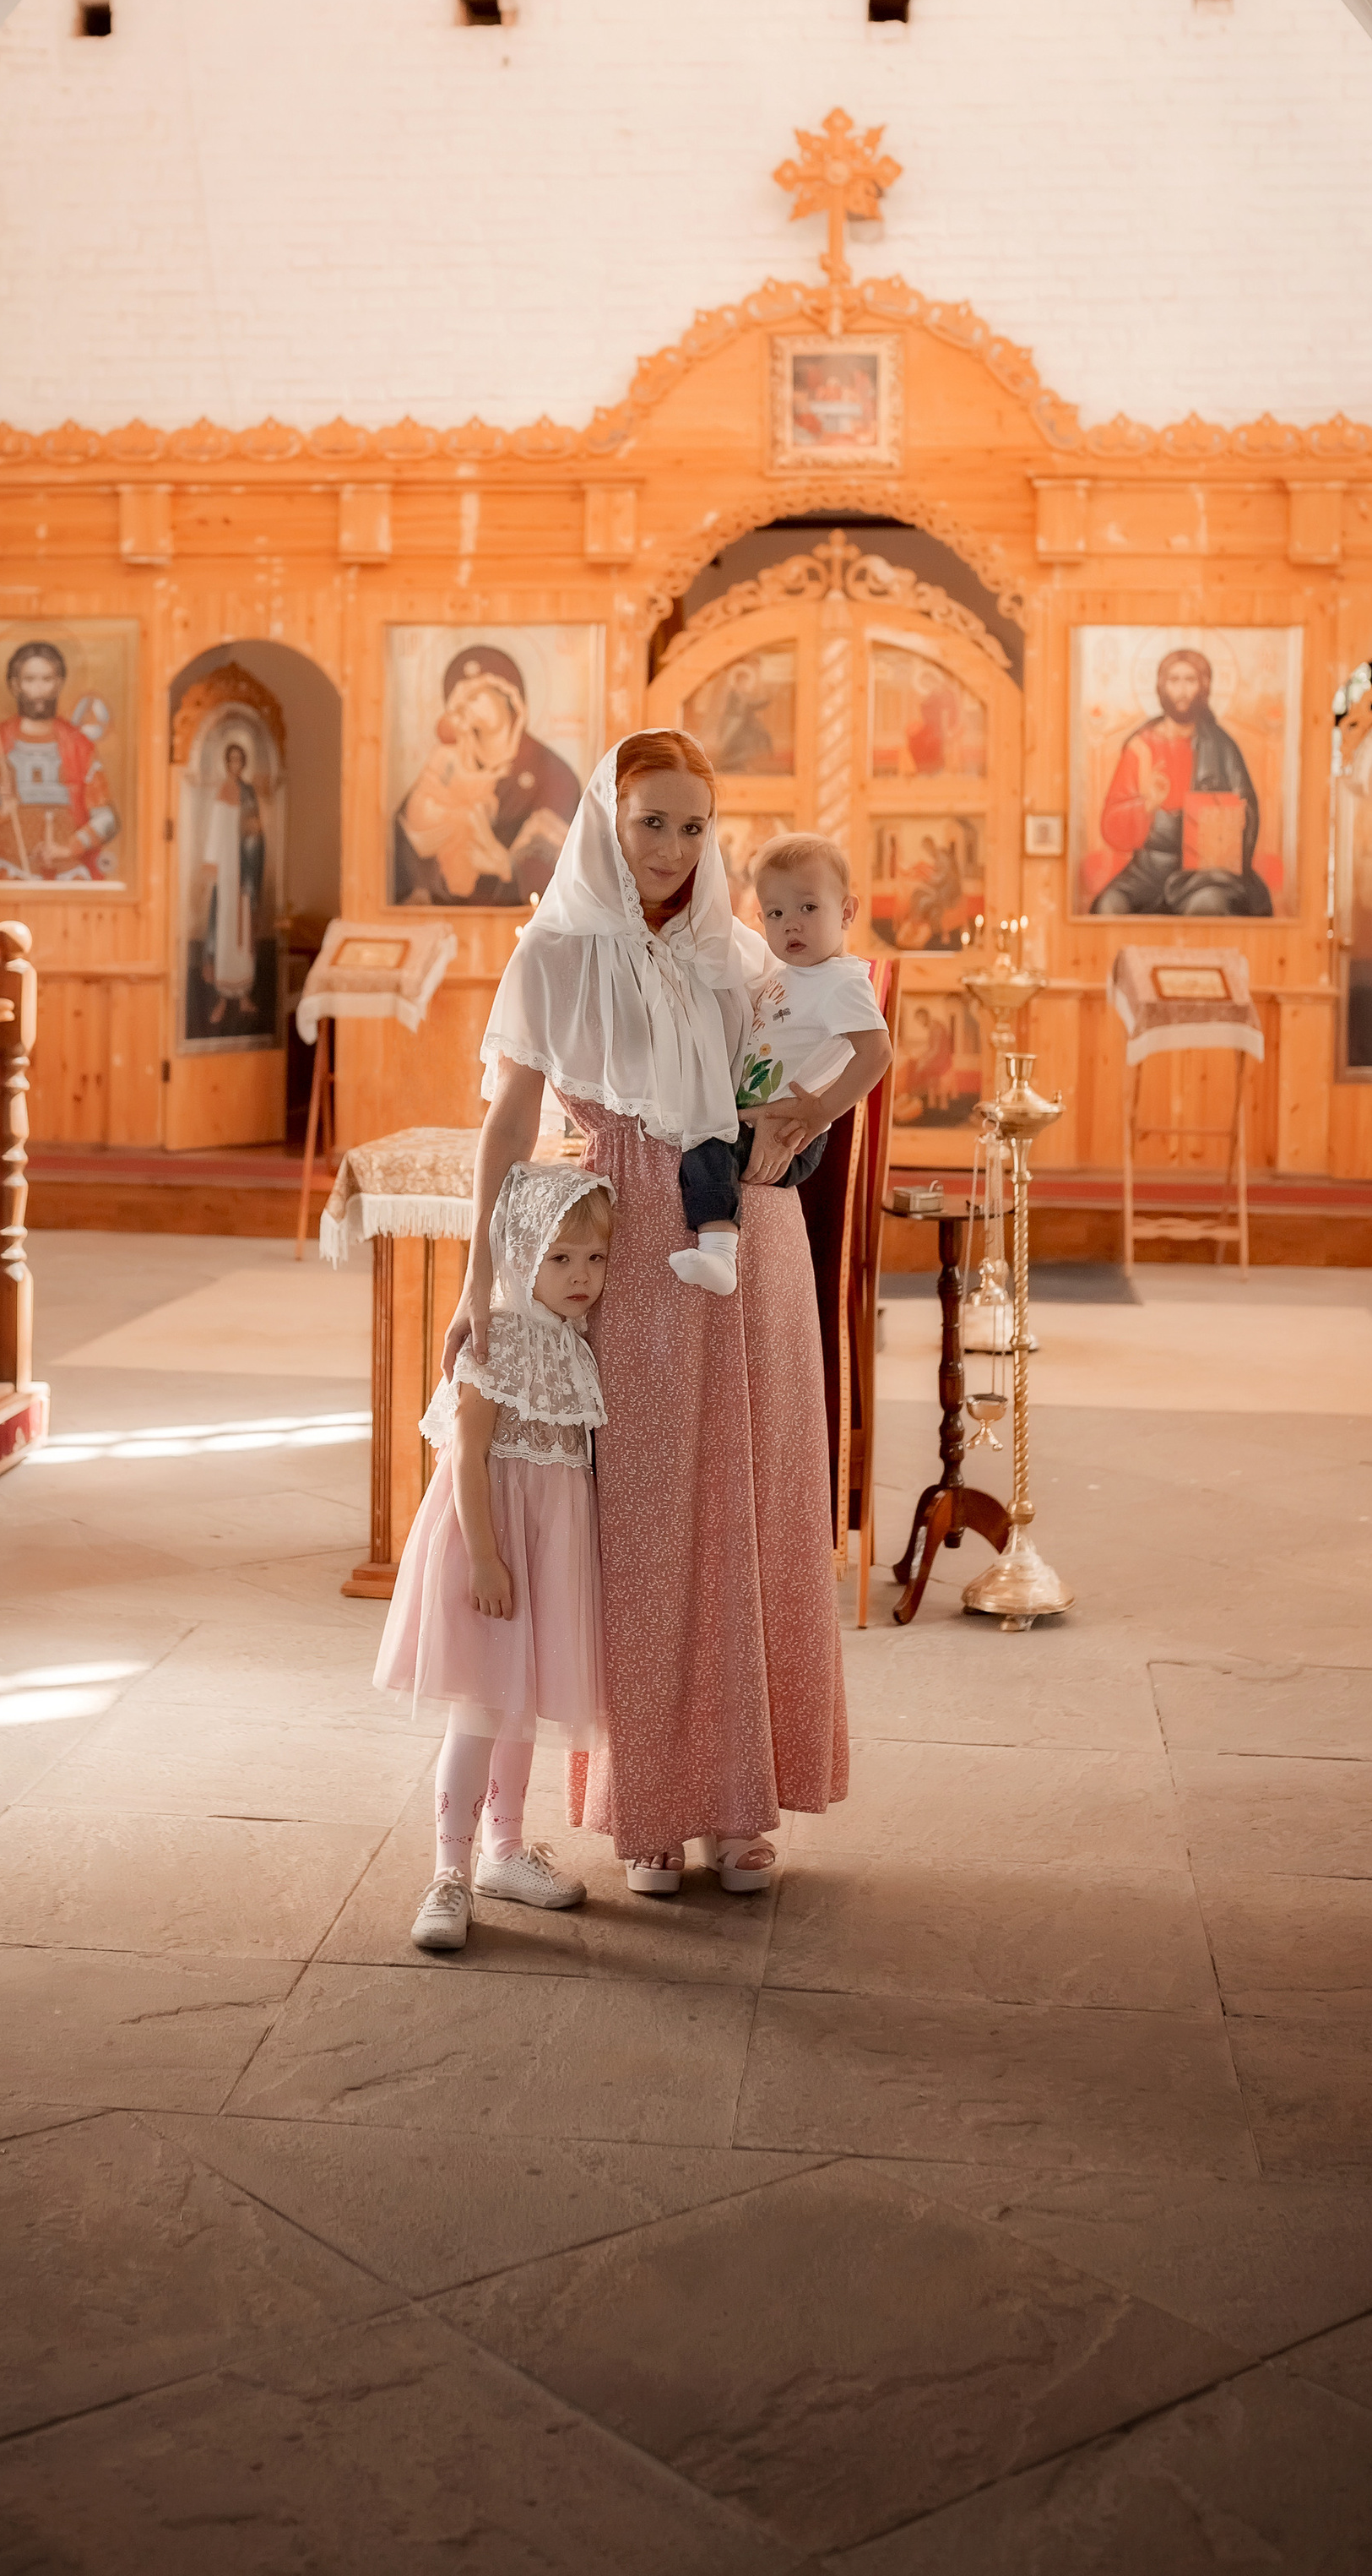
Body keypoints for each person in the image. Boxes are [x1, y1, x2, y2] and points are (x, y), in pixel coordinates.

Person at [449, 727, 885, 1899]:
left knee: (758, 1503)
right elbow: (505, 1122)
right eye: (653, 823)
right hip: (627, 1239)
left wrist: (806, 1112)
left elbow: (823, 1054)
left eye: (696, 828)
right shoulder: (552, 955)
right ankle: (651, 1814)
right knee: (641, 1523)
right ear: (607, 817)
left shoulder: (737, 952)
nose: (674, 849)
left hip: (751, 1234)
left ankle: (742, 1809)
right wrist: (479, 1279)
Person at [376, 1164, 613, 1954]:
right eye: (560, 1259)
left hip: (547, 1550)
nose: (581, 1277)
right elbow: (467, 1460)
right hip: (495, 1544)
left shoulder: (573, 1343)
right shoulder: (499, 1337)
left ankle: (504, 1852)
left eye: (595, 1260)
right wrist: (484, 1558)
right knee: (480, 1708)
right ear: (518, 1254)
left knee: (521, 1702)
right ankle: (447, 1872)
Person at [670, 832, 889, 1297]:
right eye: (776, 913)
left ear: (847, 912)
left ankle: (719, 1254)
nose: (791, 925)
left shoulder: (842, 983)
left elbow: (877, 1053)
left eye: (808, 908)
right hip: (758, 1115)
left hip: (794, 1130)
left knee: (707, 1142)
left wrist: (819, 1112)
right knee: (703, 1136)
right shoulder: (784, 977)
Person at [392, 645, 583, 907]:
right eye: (461, 701)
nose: (467, 707)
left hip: (519, 925)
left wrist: (503, 863)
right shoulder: (448, 763)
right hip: (444, 914)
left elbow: (556, 866)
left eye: (477, 696)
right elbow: (405, 836)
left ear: (509, 697)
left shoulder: (552, 773)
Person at [1089, 647, 1272, 917]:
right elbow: (1112, 826)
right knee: (1109, 906)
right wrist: (1148, 804)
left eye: (1190, 680)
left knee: (1207, 906)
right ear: (1162, 686)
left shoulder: (1222, 747)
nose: (1182, 690)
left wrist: (1228, 818)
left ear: (1204, 686)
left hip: (1206, 873)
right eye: (1174, 680)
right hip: (1148, 871)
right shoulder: (1141, 747)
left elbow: (1248, 809)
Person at [0, 639, 120, 883]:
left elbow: (107, 819)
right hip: (8, 874)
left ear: (59, 683)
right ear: (15, 685)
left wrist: (70, 848)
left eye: (47, 679)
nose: (39, 689)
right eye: (30, 680)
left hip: (69, 876)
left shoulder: (79, 748)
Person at [199, 733, 267, 1029]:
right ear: (227, 764)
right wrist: (213, 867)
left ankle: (243, 995)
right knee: (226, 929)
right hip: (226, 872)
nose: (236, 765)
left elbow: (256, 833)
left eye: (241, 760)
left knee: (245, 928)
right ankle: (223, 998)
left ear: (244, 763)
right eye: (232, 760)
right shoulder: (222, 792)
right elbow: (215, 831)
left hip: (246, 872)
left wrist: (251, 855)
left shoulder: (250, 793)